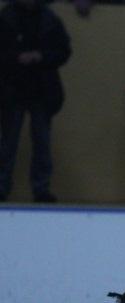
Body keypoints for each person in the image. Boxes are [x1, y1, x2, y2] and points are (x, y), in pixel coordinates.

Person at [0, 0, 71, 203]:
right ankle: (3, 186)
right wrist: (16, 58)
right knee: (8, 143)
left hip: (41, 90)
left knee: (42, 143)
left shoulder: (49, 19)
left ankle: (41, 188)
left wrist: (41, 56)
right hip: (13, 89)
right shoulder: (6, 19)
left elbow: (64, 51)